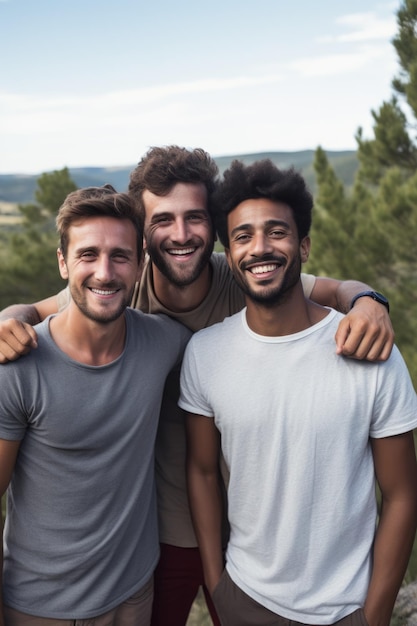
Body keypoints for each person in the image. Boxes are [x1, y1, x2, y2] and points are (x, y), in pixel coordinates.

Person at [0, 147, 395, 626]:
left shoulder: (246, 276)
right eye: (162, 219)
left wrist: (370, 301)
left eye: (196, 217)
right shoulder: (120, 281)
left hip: (253, 528)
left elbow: (330, 291)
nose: (181, 234)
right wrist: (10, 316)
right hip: (157, 530)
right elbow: (44, 313)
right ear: (143, 238)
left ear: (215, 226)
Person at [180, 159, 417, 626]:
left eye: (277, 232)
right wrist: (217, 586)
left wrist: (373, 616)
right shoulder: (204, 354)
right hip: (245, 599)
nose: (260, 248)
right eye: (243, 236)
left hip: (347, 609)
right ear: (229, 257)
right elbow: (202, 472)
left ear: (304, 246)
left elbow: (403, 495)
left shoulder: (369, 349)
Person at [0, 185, 191, 626]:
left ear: (140, 264)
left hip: (134, 594)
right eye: (88, 255)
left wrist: (361, 301)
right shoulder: (18, 365)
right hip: (41, 609)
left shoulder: (163, 341)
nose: (104, 273)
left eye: (120, 256)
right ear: (63, 262)